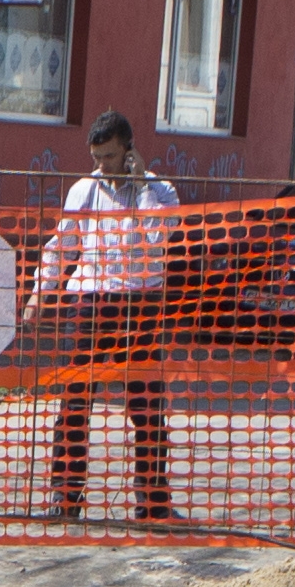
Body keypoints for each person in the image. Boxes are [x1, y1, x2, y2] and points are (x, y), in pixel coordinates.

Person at [34, 114, 191, 524]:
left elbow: (160, 235)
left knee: (146, 406)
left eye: (110, 156)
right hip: (90, 303)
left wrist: (139, 186)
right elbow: (63, 244)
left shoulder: (161, 191)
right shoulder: (84, 190)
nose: (103, 165)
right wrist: (41, 292)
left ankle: (152, 503)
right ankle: (65, 497)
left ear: (129, 149)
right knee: (74, 403)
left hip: (139, 304)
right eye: (97, 157)